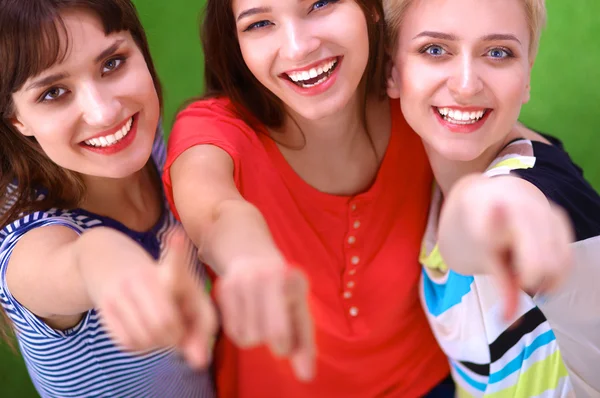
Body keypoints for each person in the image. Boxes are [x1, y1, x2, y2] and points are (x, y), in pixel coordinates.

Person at [163, 0, 453, 397]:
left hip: (425, 382)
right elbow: (214, 209)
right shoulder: (213, 128)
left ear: (371, 8)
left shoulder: (417, 100)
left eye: (320, 3)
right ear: (237, 43)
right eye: (260, 23)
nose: (298, 46)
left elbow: (509, 143)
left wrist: (526, 185)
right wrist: (247, 256)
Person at [0, 1, 217, 397]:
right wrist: (104, 259)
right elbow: (65, 265)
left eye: (112, 63)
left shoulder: (149, 145)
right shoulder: (25, 240)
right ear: (17, 119)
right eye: (54, 92)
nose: (104, 113)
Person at [384, 0, 600, 396]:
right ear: (391, 71)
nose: (466, 84)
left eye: (498, 52)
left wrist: (484, 205)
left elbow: (483, 225)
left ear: (527, 74)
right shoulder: (432, 168)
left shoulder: (538, 191)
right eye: (435, 50)